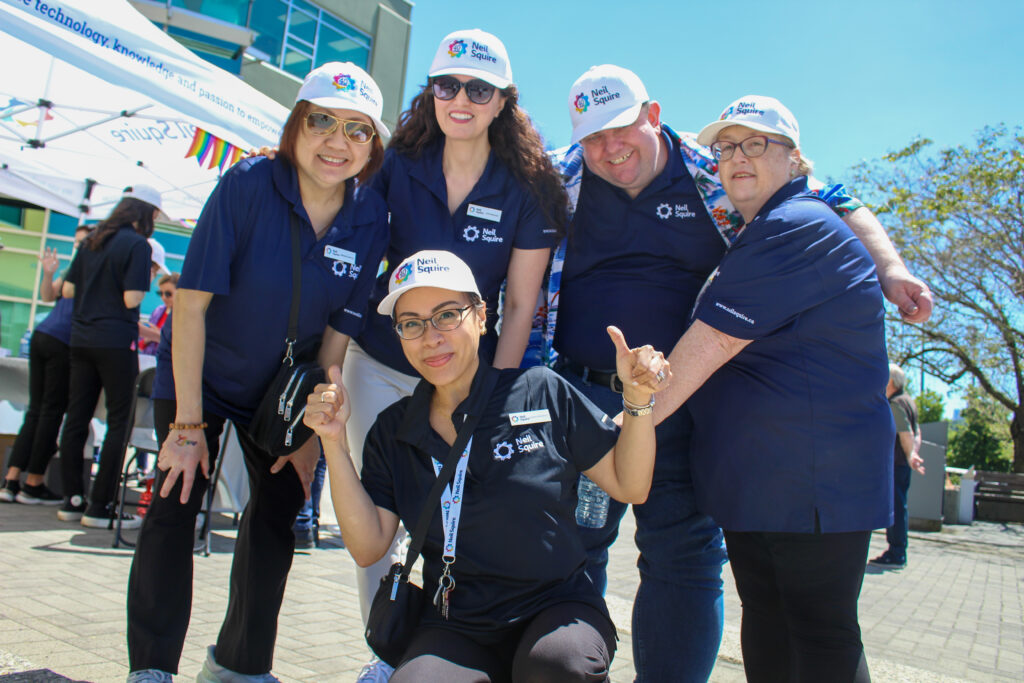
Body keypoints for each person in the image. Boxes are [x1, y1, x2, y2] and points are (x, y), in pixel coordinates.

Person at [540, 65, 933, 682]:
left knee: (685, 559)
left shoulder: (717, 166)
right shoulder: (558, 174)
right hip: (582, 390)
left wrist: (891, 269)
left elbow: (835, 199)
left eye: (622, 130)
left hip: (689, 401)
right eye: (593, 138)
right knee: (570, 551)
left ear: (653, 115)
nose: (609, 149)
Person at [124, 62, 391, 683]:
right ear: (296, 124)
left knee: (275, 519)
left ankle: (239, 668)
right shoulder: (245, 185)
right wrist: (187, 427)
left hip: (284, 394)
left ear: (372, 147)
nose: (336, 141)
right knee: (174, 502)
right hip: (202, 377)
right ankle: (152, 668)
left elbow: (340, 333)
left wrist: (312, 430)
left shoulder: (370, 216)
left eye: (357, 130)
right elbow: (189, 307)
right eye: (322, 121)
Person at [304, 250, 668, 682]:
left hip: (556, 607)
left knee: (558, 667)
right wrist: (333, 443)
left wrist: (638, 399)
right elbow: (368, 548)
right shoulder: (394, 430)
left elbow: (631, 485)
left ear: (481, 317)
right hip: (456, 621)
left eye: (446, 315)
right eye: (412, 324)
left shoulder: (540, 392)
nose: (431, 337)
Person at [643, 95, 893, 681]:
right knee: (771, 621)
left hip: (810, 485)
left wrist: (629, 423)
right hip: (764, 482)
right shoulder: (763, 229)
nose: (736, 159)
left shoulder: (795, 225)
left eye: (755, 144)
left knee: (820, 633)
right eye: (726, 148)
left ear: (795, 158)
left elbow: (714, 344)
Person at [343, 29, 565, 676]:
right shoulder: (395, 166)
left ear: (503, 101)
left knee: (462, 518)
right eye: (447, 85)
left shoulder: (529, 187)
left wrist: (493, 392)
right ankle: (384, 651)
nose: (460, 99)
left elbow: (522, 304)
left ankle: (458, 644)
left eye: (478, 88)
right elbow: (357, 264)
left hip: (469, 378)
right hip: (381, 362)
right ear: (431, 92)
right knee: (375, 513)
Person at [56, 189, 159, 528]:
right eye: (155, 216)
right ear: (143, 213)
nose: (155, 222)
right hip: (116, 341)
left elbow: (68, 290)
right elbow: (132, 300)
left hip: (81, 338)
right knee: (119, 421)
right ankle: (100, 507)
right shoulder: (137, 246)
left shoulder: (91, 241)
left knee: (76, 417)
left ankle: (72, 499)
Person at [0, 226, 91, 505]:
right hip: (60, 341)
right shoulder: (90, 270)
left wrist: (53, 274)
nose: (78, 247)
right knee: (50, 413)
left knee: (37, 412)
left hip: (44, 336)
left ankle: (11, 481)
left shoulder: (79, 269)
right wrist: (50, 273)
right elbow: (50, 296)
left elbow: (52, 297)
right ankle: (33, 482)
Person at [871, 363, 926, 568]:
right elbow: (916, 431)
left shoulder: (895, 403)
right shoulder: (909, 401)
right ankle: (897, 550)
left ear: (891, 381)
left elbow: (906, 433)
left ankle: (896, 552)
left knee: (895, 509)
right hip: (903, 463)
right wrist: (913, 454)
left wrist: (910, 454)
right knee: (899, 506)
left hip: (895, 464)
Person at [138, 272, 177, 356]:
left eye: (168, 294)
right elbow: (140, 344)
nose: (163, 297)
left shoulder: (182, 316)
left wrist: (156, 335)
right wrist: (148, 338)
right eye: (160, 293)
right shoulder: (158, 311)